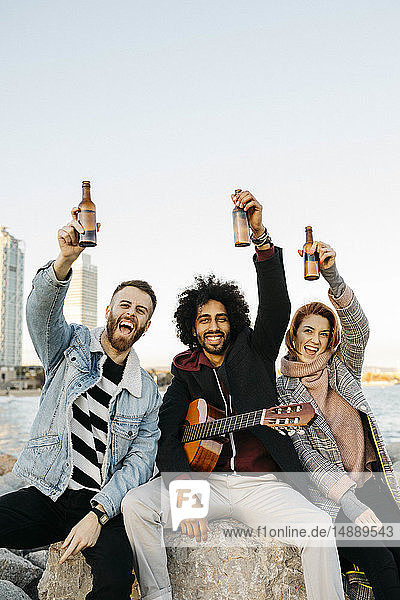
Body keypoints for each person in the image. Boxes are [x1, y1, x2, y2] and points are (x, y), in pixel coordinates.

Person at [122, 190, 345, 600]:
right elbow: (168, 434)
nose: (213, 325)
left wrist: (259, 236)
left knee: (319, 531)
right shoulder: (185, 369)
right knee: (136, 505)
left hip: (260, 485)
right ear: (192, 327)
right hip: (202, 483)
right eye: (204, 319)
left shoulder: (254, 350)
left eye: (221, 318)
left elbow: (277, 307)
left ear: (233, 323)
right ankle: (160, 595)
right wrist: (185, 489)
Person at [0, 209, 162, 600]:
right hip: (49, 492)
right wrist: (64, 260)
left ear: (146, 326)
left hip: (101, 503)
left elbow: (139, 464)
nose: (131, 314)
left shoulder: (147, 392)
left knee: (115, 583)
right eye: (125, 305)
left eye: (141, 311)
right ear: (109, 310)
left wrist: (99, 514)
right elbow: (39, 314)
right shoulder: (68, 347)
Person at [277, 240, 400, 600]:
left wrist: (332, 275)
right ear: (293, 336)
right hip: (332, 501)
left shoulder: (342, 367)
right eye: (307, 331)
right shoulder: (282, 389)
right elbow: (306, 455)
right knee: (382, 566)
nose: (315, 340)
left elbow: (358, 329)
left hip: (375, 486)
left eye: (324, 333)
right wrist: (348, 501)